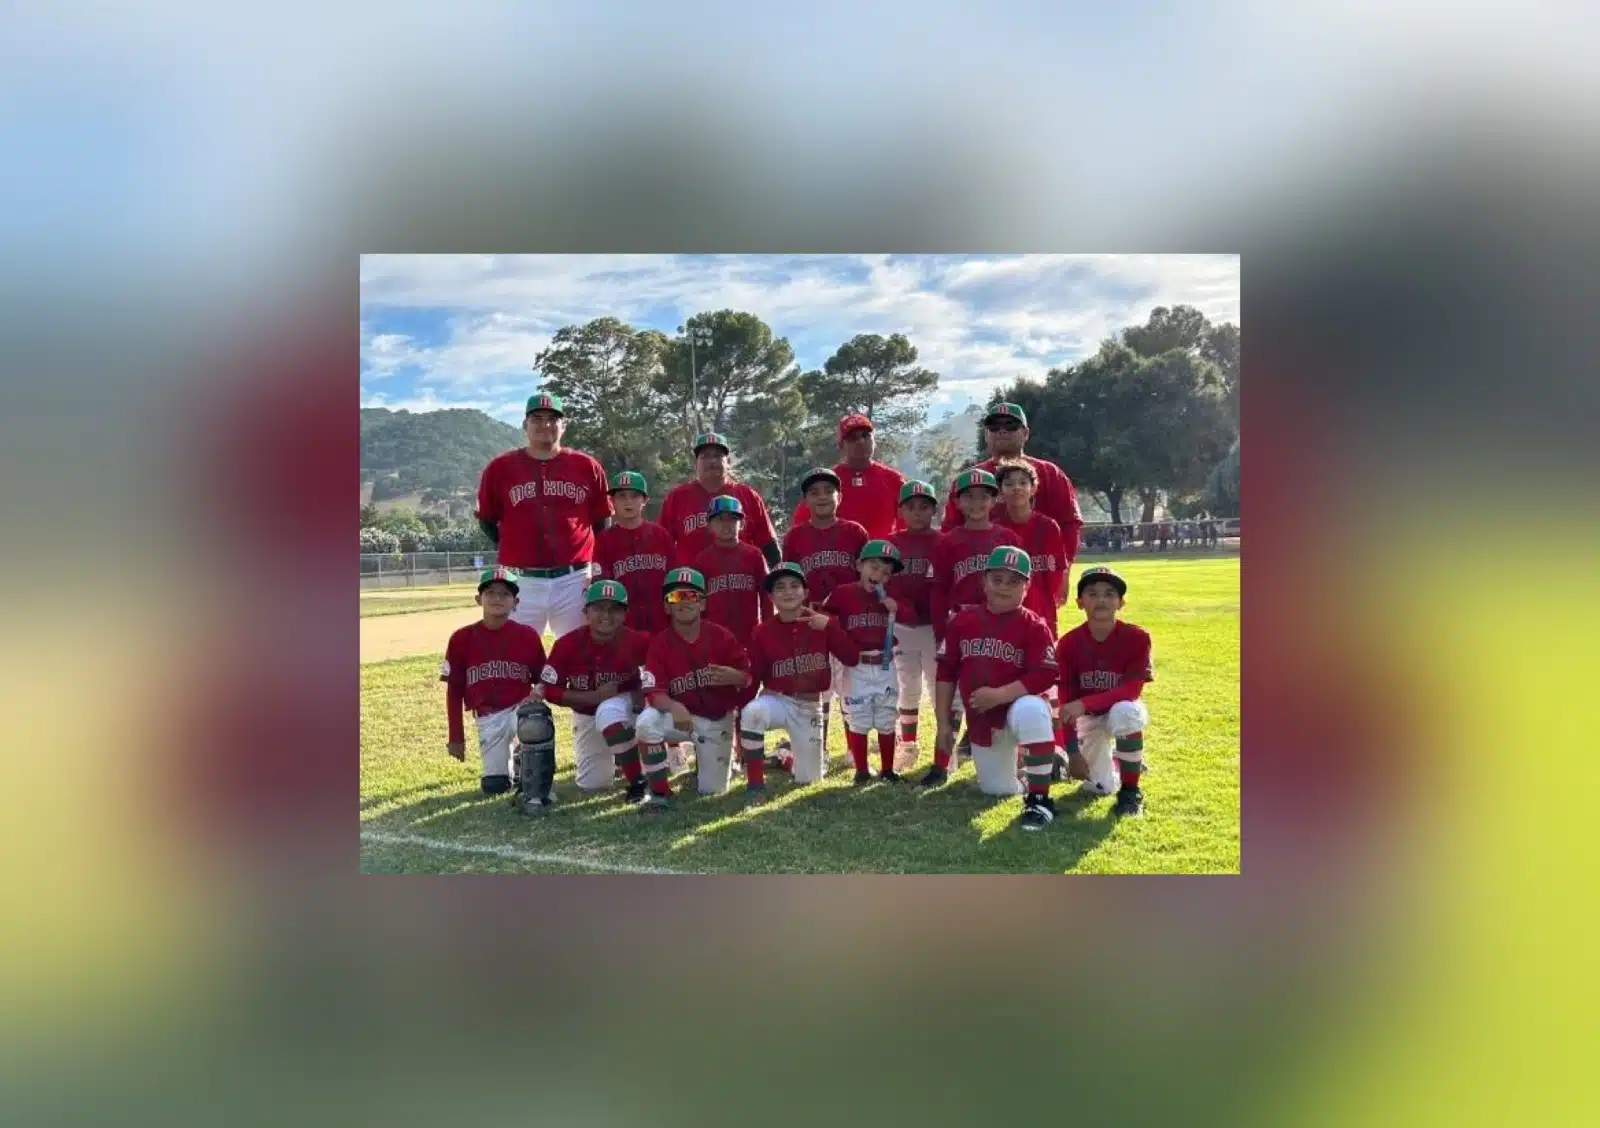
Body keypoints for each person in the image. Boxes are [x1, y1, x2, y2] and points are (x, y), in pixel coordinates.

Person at [925, 548, 1063, 833]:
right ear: (984, 582)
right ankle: (1034, 771)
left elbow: (1045, 673)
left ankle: (1040, 799)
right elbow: (946, 673)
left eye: (1014, 582)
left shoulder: (1034, 625)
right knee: (996, 790)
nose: (1003, 588)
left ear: (1027, 587)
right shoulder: (963, 621)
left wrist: (1000, 695)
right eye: (997, 579)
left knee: (1033, 709)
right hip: (984, 720)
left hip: (1015, 709)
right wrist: (942, 724)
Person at [473, 392, 612, 638]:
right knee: (515, 655)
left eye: (552, 418)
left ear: (564, 425)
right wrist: (512, 545)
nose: (545, 424)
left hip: (575, 579)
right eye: (537, 418)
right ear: (525, 425)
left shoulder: (587, 466)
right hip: (520, 581)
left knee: (580, 654)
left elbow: (601, 520)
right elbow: (487, 519)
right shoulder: (500, 468)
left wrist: (596, 567)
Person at [635, 567, 757, 809]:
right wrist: (673, 706)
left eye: (691, 596)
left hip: (715, 720)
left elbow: (750, 679)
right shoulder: (659, 644)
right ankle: (660, 793)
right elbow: (653, 691)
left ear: (702, 604)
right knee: (647, 723)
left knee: (712, 791)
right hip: (680, 718)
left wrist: (739, 677)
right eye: (676, 596)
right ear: (667, 606)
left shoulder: (722, 637)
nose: (684, 602)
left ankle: (708, 765)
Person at [738, 563, 862, 790]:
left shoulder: (821, 622)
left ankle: (786, 756)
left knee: (810, 780)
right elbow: (754, 675)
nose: (788, 592)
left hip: (810, 705)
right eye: (780, 587)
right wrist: (741, 710)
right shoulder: (762, 631)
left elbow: (851, 658)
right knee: (753, 713)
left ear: (805, 593)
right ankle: (755, 785)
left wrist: (830, 627)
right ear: (771, 596)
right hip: (779, 700)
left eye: (795, 586)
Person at [537, 579, 653, 802]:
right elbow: (550, 691)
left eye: (615, 609)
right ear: (585, 612)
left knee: (610, 711)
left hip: (625, 708)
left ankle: (637, 777)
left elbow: (657, 676)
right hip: (587, 713)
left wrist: (641, 694)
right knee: (594, 785)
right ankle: (624, 755)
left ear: (626, 613)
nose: (606, 616)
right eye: (599, 608)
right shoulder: (567, 644)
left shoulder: (638, 642)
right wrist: (592, 697)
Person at [440, 567, 549, 796]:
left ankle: (534, 777)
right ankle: (511, 771)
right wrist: (456, 737)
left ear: (515, 602)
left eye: (505, 594)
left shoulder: (527, 635)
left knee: (534, 718)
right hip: (488, 716)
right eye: (490, 592)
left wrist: (536, 694)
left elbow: (544, 679)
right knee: (494, 787)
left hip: (520, 709)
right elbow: (454, 691)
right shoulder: (461, 638)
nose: (497, 598)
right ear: (479, 599)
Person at [1055, 566, 1153, 817]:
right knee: (1099, 787)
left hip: (1119, 709)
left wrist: (1085, 703)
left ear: (1121, 602)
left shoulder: (1137, 637)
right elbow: (1066, 702)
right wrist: (1072, 752)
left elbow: (1132, 689)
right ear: (1079, 602)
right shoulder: (1068, 644)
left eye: (1109, 594)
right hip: (1089, 719)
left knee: (1126, 712)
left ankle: (1130, 792)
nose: (1100, 599)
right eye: (1092, 593)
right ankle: (1121, 764)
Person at [782, 467, 870, 745]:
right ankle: (817, 745)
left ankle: (852, 746)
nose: (822, 497)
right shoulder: (795, 537)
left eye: (828, 491)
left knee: (850, 684)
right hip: (811, 617)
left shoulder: (855, 532)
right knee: (818, 682)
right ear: (805, 501)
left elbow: (866, 577)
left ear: (839, 497)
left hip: (847, 620)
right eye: (814, 493)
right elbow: (790, 582)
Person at [938, 403, 1084, 568]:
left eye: (1011, 425)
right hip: (983, 576)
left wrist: (1063, 570)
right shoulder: (967, 479)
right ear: (986, 435)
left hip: (1039, 574)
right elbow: (950, 529)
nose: (1002, 431)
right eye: (994, 427)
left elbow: (1070, 524)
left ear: (1026, 433)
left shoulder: (1051, 474)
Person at [821, 540, 905, 784]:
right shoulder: (844, 593)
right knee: (858, 716)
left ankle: (888, 769)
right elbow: (827, 615)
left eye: (885, 573)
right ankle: (861, 770)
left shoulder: (891, 596)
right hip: (855, 665)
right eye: (874, 567)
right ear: (859, 565)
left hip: (885, 663)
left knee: (886, 716)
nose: (878, 575)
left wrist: (895, 607)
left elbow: (911, 614)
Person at [658, 432, 780, 566]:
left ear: (728, 462)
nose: (712, 461)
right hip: (693, 582)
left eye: (717, 455)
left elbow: (769, 546)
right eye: (705, 456)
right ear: (695, 463)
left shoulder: (748, 496)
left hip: (741, 580)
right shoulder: (677, 498)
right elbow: (661, 546)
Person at [886, 480, 942, 772]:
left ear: (934, 510)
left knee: (938, 689)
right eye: (911, 507)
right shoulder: (892, 544)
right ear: (901, 510)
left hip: (935, 627)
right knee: (907, 687)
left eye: (924, 507)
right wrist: (899, 606)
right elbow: (884, 582)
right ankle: (907, 745)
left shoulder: (943, 540)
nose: (918, 513)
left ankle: (944, 750)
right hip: (904, 626)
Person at [929, 469, 1021, 642]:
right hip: (960, 621)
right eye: (969, 496)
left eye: (983, 496)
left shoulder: (1008, 538)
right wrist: (940, 631)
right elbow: (938, 591)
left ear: (994, 500)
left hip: (1001, 619)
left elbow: (1020, 585)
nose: (976, 502)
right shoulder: (947, 541)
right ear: (957, 502)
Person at [787, 413, 906, 539]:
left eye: (866, 436)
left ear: (874, 440)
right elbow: (801, 524)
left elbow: (907, 527)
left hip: (882, 556)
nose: (861, 441)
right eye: (852, 438)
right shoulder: (827, 481)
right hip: (838, 556)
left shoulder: (893, 480)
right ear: (841, 446)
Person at [593, 470, 675, 637]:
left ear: (645, 500)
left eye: (634, 496)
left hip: (662, 623)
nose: (628, 502)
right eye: (621, 496)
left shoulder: (661, 535)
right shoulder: (604, 540)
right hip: (623, 627)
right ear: (612, 501)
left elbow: (673, 580)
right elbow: (602, 584)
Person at [692, 495, 772, 642]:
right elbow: (697, 604)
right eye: (719, 519)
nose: (726, 524)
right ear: (709, 525)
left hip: (750, 636)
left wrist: (769, 630)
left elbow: (767, 597)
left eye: (732, 519)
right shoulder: (702, 560)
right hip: (714, 638)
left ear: (742, 524)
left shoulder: (754, 555)